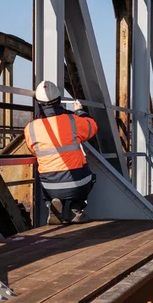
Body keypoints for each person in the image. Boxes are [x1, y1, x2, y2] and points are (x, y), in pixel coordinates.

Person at [24, 80, 99, 225]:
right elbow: (92, 127)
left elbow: (34, 151)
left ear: (38, 103)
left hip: (49, 185)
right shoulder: (72, 120)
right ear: (59, 100)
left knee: (49, 176)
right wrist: (80, 111)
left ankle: (51, 205)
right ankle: (76, 209)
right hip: (78, 183)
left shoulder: (30, 128)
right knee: (90, 177)